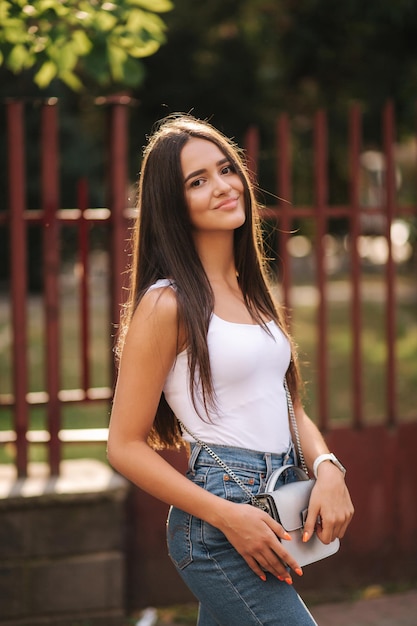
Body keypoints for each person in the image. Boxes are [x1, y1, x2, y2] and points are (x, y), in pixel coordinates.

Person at [107, 114, 354, 625]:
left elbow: (290, 404)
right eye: (197, 182)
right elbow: (123, 445)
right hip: (220, 520)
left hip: (274, 499)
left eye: (225, 170)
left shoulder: (252, 292)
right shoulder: (168, 304)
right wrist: (226, 516)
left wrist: (328, 467)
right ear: (173, 204)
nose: (222, 186)